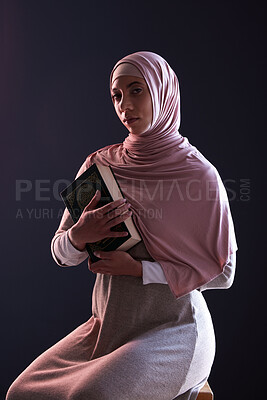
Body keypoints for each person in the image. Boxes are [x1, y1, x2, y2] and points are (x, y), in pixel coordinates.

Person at [6, 51, 238, 400]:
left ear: (162, 92)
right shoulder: (99, 165)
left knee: (93, 395)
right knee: (21, 393)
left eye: (136, 90)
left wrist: (139, 269)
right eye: (116, 95)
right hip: (106, 329)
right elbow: (61, 253)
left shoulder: (197, 175)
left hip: (174, 330)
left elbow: (225, 273)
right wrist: (79, 236)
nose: (124, 105)